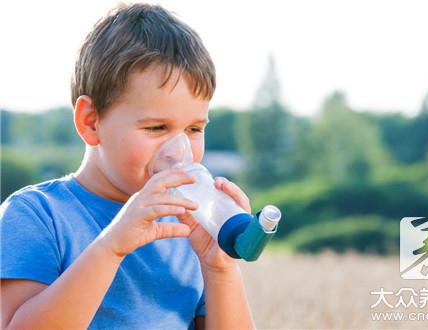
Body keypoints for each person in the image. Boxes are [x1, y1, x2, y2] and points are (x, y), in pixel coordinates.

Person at [0, 3, 255, 329]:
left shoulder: (190, 228)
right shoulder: (36, 215)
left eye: (194, 129)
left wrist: (220, 268)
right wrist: (111, 246)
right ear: (91, 123)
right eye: (156, 128)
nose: (180, 151)